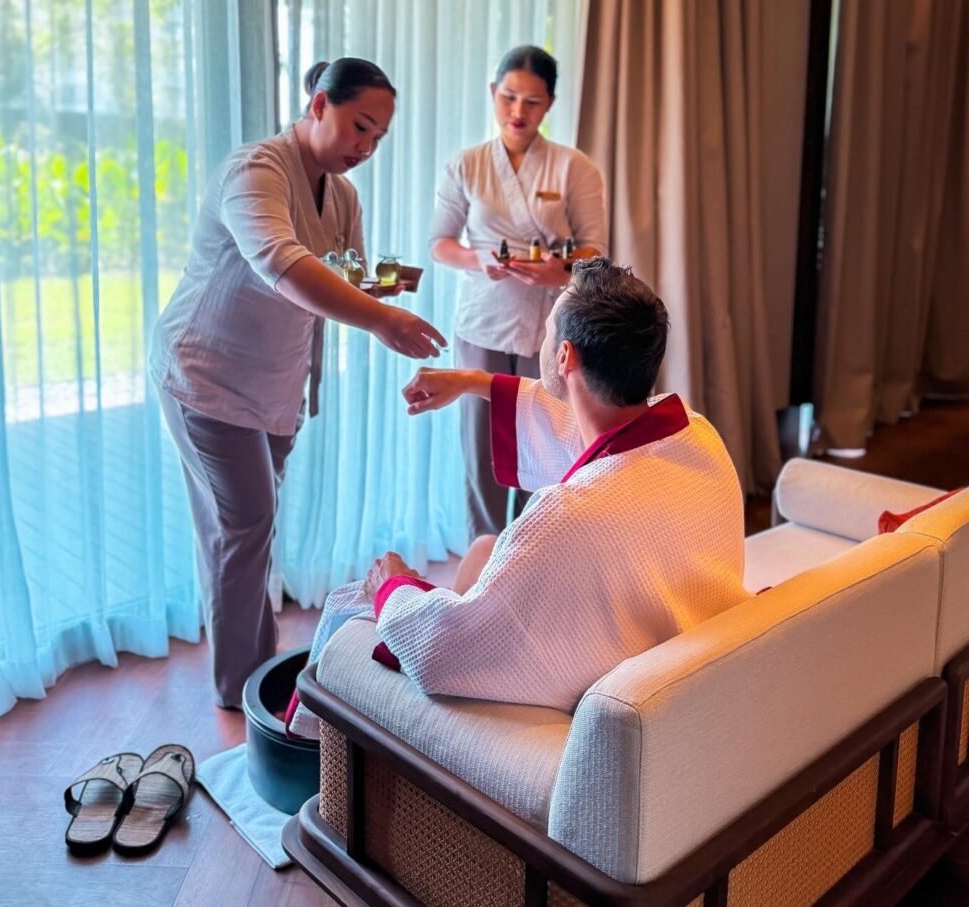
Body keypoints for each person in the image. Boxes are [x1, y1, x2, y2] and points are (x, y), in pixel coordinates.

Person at [287, 258, 748, 737]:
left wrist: (394, 586)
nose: (543, 341)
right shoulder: (695, 435)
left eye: (548, 331)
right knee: (485, 548)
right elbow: (585, 430)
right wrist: (472, 382)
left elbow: (444, 649)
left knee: (352, 607)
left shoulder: (565, 514)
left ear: (564, 356)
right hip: (683, 648)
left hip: (612, 694)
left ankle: (305, 750)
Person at [150, 58, 447, 709]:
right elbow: (283, 265)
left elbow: (344, 274)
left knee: (244, 529)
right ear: (317, 105)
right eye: (358, 127)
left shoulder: (342, 195)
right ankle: (243, 686)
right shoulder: (255, 172)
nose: (365, 148)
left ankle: (251, 668)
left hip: (276, 382)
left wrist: (399, 284)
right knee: (245, 523)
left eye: (377, 138)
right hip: (207, 374)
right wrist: (381, 321)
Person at [429, 45, 609, 540]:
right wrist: (478, 258)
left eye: (532, 101)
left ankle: (536, 551)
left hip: (551, 325)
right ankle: (482, 551)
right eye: (509, 97)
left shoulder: (575, 168)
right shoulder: (466, 165)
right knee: (482, 444)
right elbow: (439, 243)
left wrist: (560, 271)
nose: (518, 112)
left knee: (545, 442)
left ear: (549, 104)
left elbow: (596, 247)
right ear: (493, 93)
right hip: (483, 319)